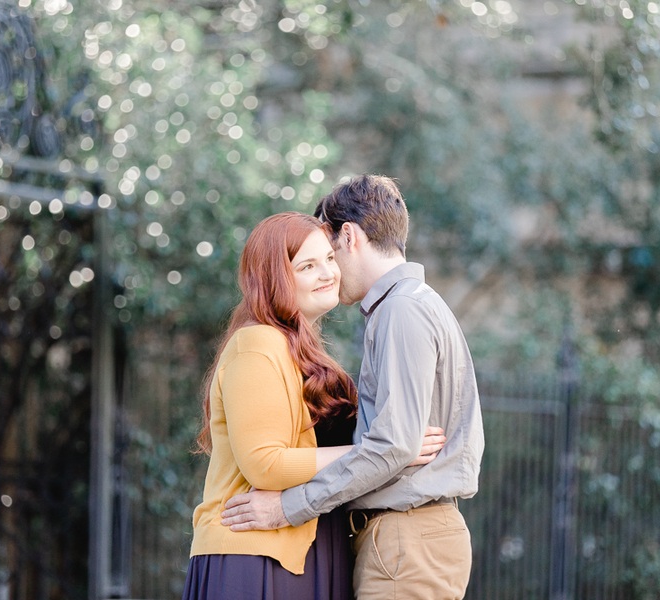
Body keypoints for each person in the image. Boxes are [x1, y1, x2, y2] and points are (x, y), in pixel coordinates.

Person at [221, 175, 485, 599]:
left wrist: (286, 507)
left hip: (407, 538)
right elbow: (396, 443)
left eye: (329, 252)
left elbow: (393, 446)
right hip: (405, 539)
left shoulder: (402, 310)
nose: (327, 269)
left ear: (350, 236)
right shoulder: (408, 304)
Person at [184, 211, 445, 600]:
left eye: (329, 258)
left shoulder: (304, 353)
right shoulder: (258, 343)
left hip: (309, 548)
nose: (328, 273)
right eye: (307, 265)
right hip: (257, 553)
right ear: (274, 279)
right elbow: (265, 465)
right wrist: (382, 452)